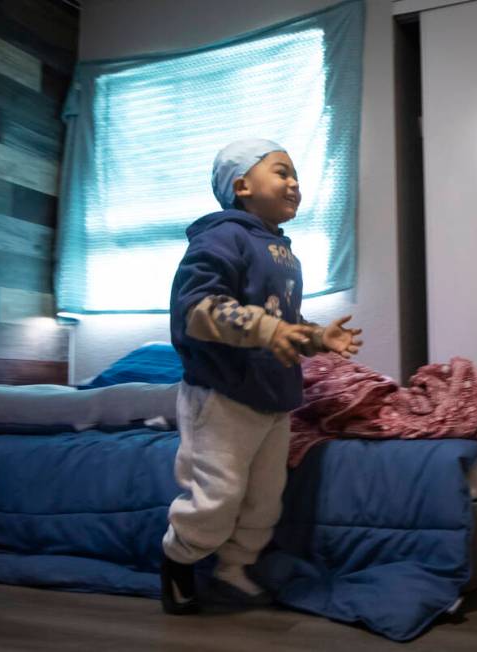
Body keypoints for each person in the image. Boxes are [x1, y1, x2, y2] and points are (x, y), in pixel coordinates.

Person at [161, 138, 363, 614]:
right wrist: (268, 328)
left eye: (295, 174)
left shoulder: (282, 252)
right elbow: (197, 309)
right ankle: (178, 559)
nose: (294, 182)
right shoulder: (220, 237)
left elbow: (278, 320)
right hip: (224, 393)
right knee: (218, 494)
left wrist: (315, 339)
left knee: (264, 502)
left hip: (274, 397)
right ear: (243, 186)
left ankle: (234, 568)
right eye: (281, 171)